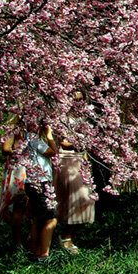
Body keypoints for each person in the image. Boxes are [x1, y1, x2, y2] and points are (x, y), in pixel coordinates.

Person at [0, 119, 58, 261]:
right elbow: (52, 152)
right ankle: (43, 254)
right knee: (51, 219)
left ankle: (35, 250)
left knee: (37, 218)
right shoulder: (32, 138)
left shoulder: (28, 138)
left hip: (33, 181)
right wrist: (49, 136)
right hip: (38, 182)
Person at [54, 97, 97, 254]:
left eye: (80, 100)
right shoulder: (61, 118)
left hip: (80, 159)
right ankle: (65, 237)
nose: (77, 103)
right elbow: (64, 142)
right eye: (75, 99)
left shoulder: (83, 118)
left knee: (85, 199)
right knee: (73, 198)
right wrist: (84, 140)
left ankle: (70, 236)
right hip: (67, 160)